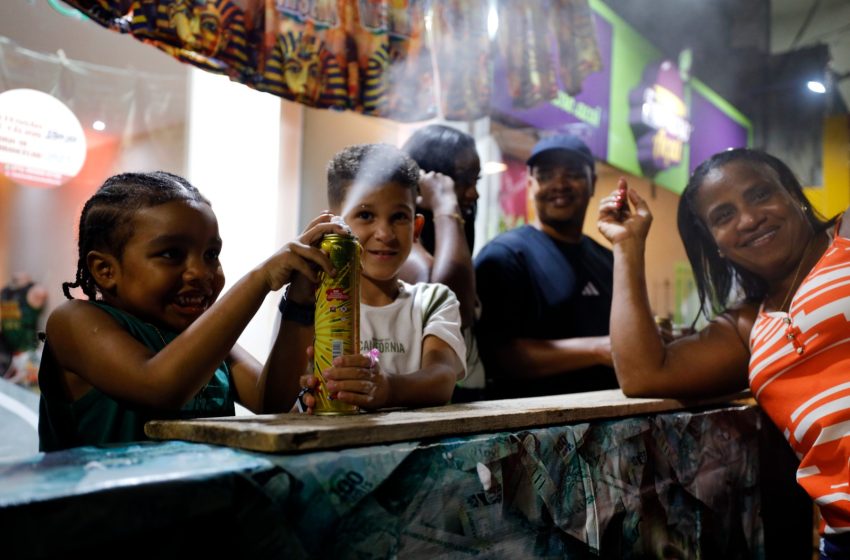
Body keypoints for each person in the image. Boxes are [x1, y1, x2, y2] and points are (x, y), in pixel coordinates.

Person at [596, 148, 850, 551]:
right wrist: (628, 246)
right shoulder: (750, 323)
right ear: (715, 243)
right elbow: (643, 373)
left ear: (793, 194)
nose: (749, 219)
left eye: (761, 194)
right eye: (724, 216)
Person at [38, 171, 346, 451]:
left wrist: (299, 302)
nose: (201, 272)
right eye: (172, 254)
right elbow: (158, 386)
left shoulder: (203, 339)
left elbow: (272, 405)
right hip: (101, 512)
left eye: (211, 254)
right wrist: (260, 278)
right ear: (105, 270)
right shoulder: (73, 321)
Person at [278, 143, 466, 409]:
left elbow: (443, 378)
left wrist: (388, 388)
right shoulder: (310, 302)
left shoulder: (432, 301)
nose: (385, 234)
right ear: (333, 224)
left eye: (399, 217)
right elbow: (278, 393)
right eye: (366, 215)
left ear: (416, 227)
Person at [474, 134, 616, 399]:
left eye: (572, 173)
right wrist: (598, 349)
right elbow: (497, 357)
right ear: (530, 184)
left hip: (609, 423)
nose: (559, 184)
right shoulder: (504, 256)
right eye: (546, 175)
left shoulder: (608, 258)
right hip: (532, 431)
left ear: (593, 183)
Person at [400, 124, 485, 401]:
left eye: (477, 180)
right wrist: (445, 206)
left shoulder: (451, 234)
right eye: (464, 181)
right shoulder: (397, 242)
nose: (474, 194)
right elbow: (453, 302)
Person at [1, 272, 48, 386]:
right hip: (11, 354)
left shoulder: (30, 292)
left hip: (27, 353)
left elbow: (41, 292)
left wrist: (26, 284)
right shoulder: (6, 293)